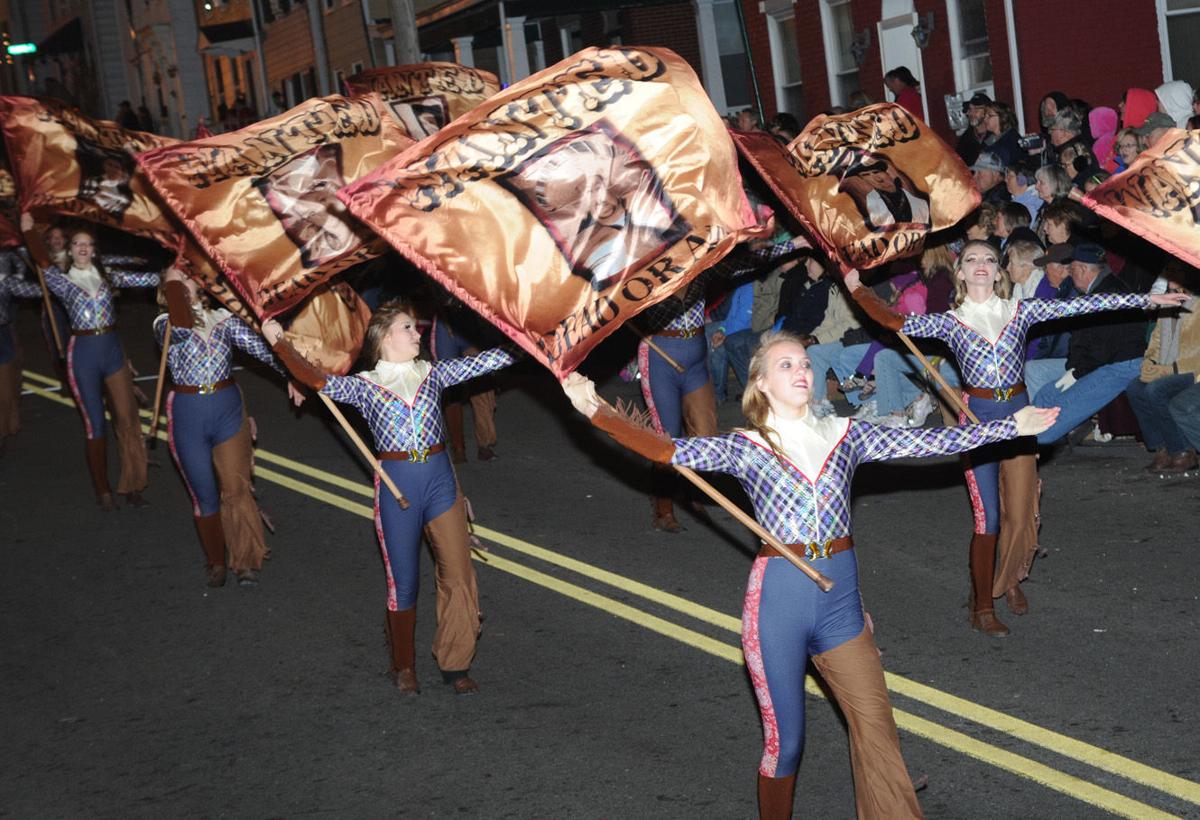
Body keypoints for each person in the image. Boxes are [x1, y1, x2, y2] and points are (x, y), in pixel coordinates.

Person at [561, 332, 1059, 819]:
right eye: (786, 365)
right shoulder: (746, 446)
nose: (801, 371)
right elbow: (665, 450)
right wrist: (596, 410)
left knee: (876, 725)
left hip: (841, 601)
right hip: (781, 602)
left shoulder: (848, 433)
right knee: (788, 744)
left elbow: (928, 441)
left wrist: (1010, 426)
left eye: (804, 363)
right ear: (760, 384)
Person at [848, 241, 1185, 633]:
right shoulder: (948, 322)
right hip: (978, 420)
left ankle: (1007, 581)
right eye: (971, 259)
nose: (980, 264)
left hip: (1022, 417)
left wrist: (1148, 300)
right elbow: (892, 321)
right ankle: (981, 605)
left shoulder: (1021, 311)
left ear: (999, 271)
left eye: (989, 259)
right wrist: (858, 288)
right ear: (959, 273)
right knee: (988, 517)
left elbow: (1085, 306)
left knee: (1022, 512)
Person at [269, 301, 516, 695]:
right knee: (403, 582)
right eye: (407, 327)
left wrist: (537, 337)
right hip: (398, 488)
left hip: (440, 482)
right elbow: (315, 379)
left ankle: (456, 662)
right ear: (385, 337)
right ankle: (403, 666)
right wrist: (279, 344)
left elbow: (494, 360)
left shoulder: (434, 373)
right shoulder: (363, 384)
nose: (417, 333)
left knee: (458, 573)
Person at [156, 269, 284, 587]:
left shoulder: (223, 319)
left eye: (188, 276)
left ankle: (244, 560)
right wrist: (174, 283)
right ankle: (215, 561)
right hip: (188, 415)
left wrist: (296, 375)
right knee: (205, 496)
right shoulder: (164, 323)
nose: (185, 281)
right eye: (177, 278)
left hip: (228, 409)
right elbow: (183, 327)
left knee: (237, 487)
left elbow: (261, 351)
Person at [28, 219, 160, 510]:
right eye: (77, 243)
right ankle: (103, 490)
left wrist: (174, 273)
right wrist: (28, 231)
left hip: (112, 350)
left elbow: (147, 280)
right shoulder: (61, 280)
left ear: (94, 249)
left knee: (128, 418)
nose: (83, 247)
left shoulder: (108, 276)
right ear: (71, 251)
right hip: (83, 354)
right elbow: (39, 258)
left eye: (88, 243)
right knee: (95, 424)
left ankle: (134, 484)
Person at [1031, 243, 1186, 444]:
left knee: (1052, 420)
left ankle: (1031, 448)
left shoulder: (1109, 292)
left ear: (1083, 269)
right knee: (1046, 394)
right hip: (1102, 361)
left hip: (1122, 364)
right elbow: (1085, 341)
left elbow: (1103, 348)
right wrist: (1074, 368)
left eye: (1072, 269)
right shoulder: (1093, 290)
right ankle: (1034, 442)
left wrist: (1077, 373)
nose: (1069, 274)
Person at [1125, 279, 1199, 474]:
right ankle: (1162, 448)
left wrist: (1171, 369)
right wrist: (1149, 363)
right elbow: (1156, 340)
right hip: (1169, 367)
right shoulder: (1168, 302)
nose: (1172, 278)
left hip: (1192, 370)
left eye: (1178, 273)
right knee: (1135, 387)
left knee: (1156, 390)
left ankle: (1182, 450)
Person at [431, 300, 502, 462]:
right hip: (445, 327)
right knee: (451, 390)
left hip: (472, 325)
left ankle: (485, 444)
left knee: (483, 385)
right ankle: (458, 446)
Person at [0, 252, 43, 448]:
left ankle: (4, 427)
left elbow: (32, 290)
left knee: (6, 386)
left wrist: (55, 286)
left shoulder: (6, 280)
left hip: (2, 333)